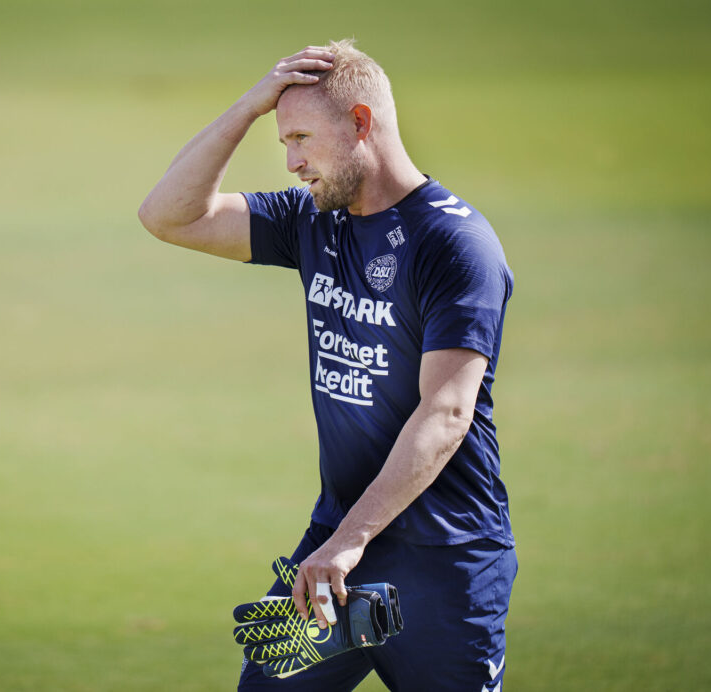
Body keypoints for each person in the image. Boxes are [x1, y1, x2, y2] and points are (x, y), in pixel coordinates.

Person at [138, 39, 517, 692]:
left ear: (362, 123)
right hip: (332, 546)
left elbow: (447, 411)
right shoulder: (315, 219)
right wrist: (249, 108)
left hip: (446, 559)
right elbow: (169, 215)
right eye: (283, 141)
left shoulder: (455, 244)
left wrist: (352, 541)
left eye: (302, 138)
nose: (291, 162)